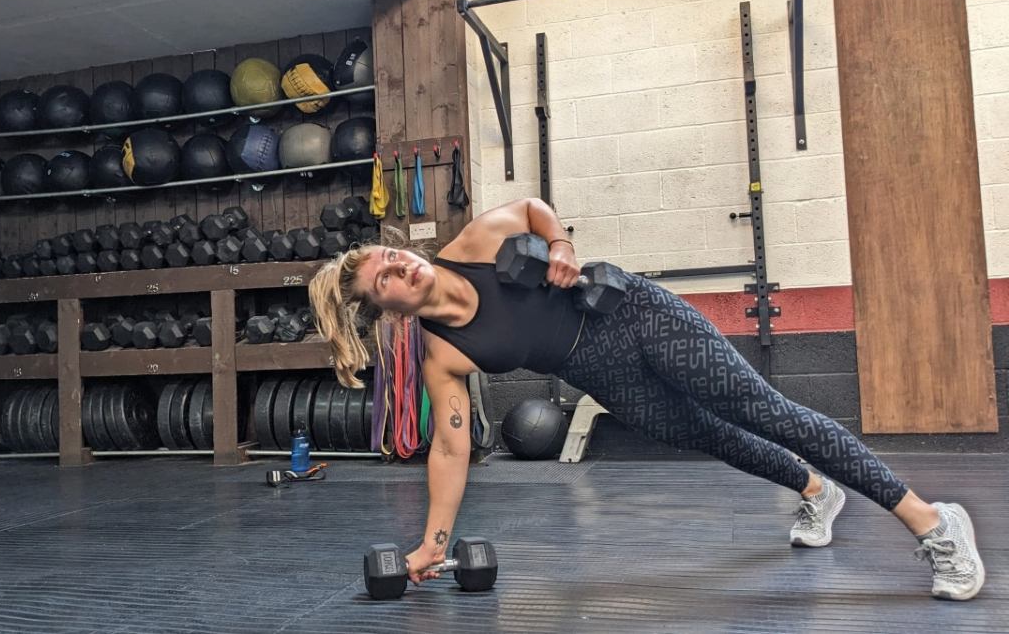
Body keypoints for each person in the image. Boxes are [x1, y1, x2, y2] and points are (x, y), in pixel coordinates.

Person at [307, 197, 985, 601]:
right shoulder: (442, 356)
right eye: (385, 279)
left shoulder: (473, 244)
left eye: (388, 255)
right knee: (714, 438)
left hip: (633, 314)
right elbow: (451, 447)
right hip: (601, 373)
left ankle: (932, 521)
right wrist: (432, 544)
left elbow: (533, 209)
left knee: (764, 411)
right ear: (386, 310)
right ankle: (815, 489)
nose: (400, 266)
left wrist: (561, 242)